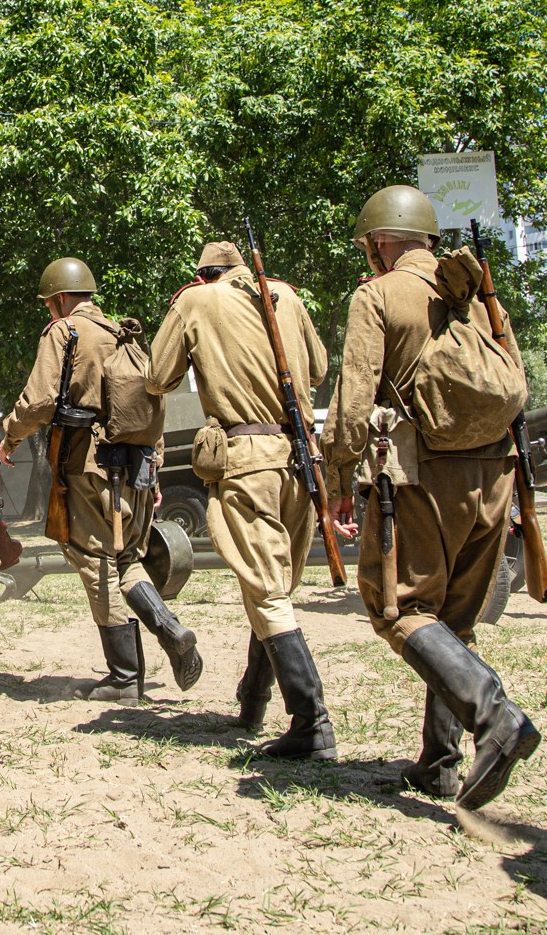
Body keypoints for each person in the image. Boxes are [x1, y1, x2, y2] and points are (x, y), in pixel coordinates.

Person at [325, 185, 541, 810]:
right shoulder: (478, 296)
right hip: (496, 473)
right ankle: (441, 764)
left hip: (422, 476)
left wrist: (339, 480)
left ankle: (495, 716)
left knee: (398, 608)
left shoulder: (377, 295)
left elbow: (354, 397)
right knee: (455, 621)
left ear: (379, 242)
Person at [147, 240, 336, 760]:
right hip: (299, 458)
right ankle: (253, 701)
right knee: (271, 587)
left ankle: (312, 722)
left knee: (268, 592)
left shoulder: (195, 300)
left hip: (247, 459)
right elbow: (319, 368)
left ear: (203, 274)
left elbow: (157, 377)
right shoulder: (287, 296)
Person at [0, 257, 201, 701]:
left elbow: (39, 401)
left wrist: (10, 436)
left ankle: (125, 678)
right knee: (126, 557)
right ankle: (169, 632)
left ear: (58, 298)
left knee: (96, 561)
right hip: (137, 466)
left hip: (90, 467)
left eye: (48, 303)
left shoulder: (65, 331)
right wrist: (154, 470)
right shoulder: (122, 335)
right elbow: (153, 406)